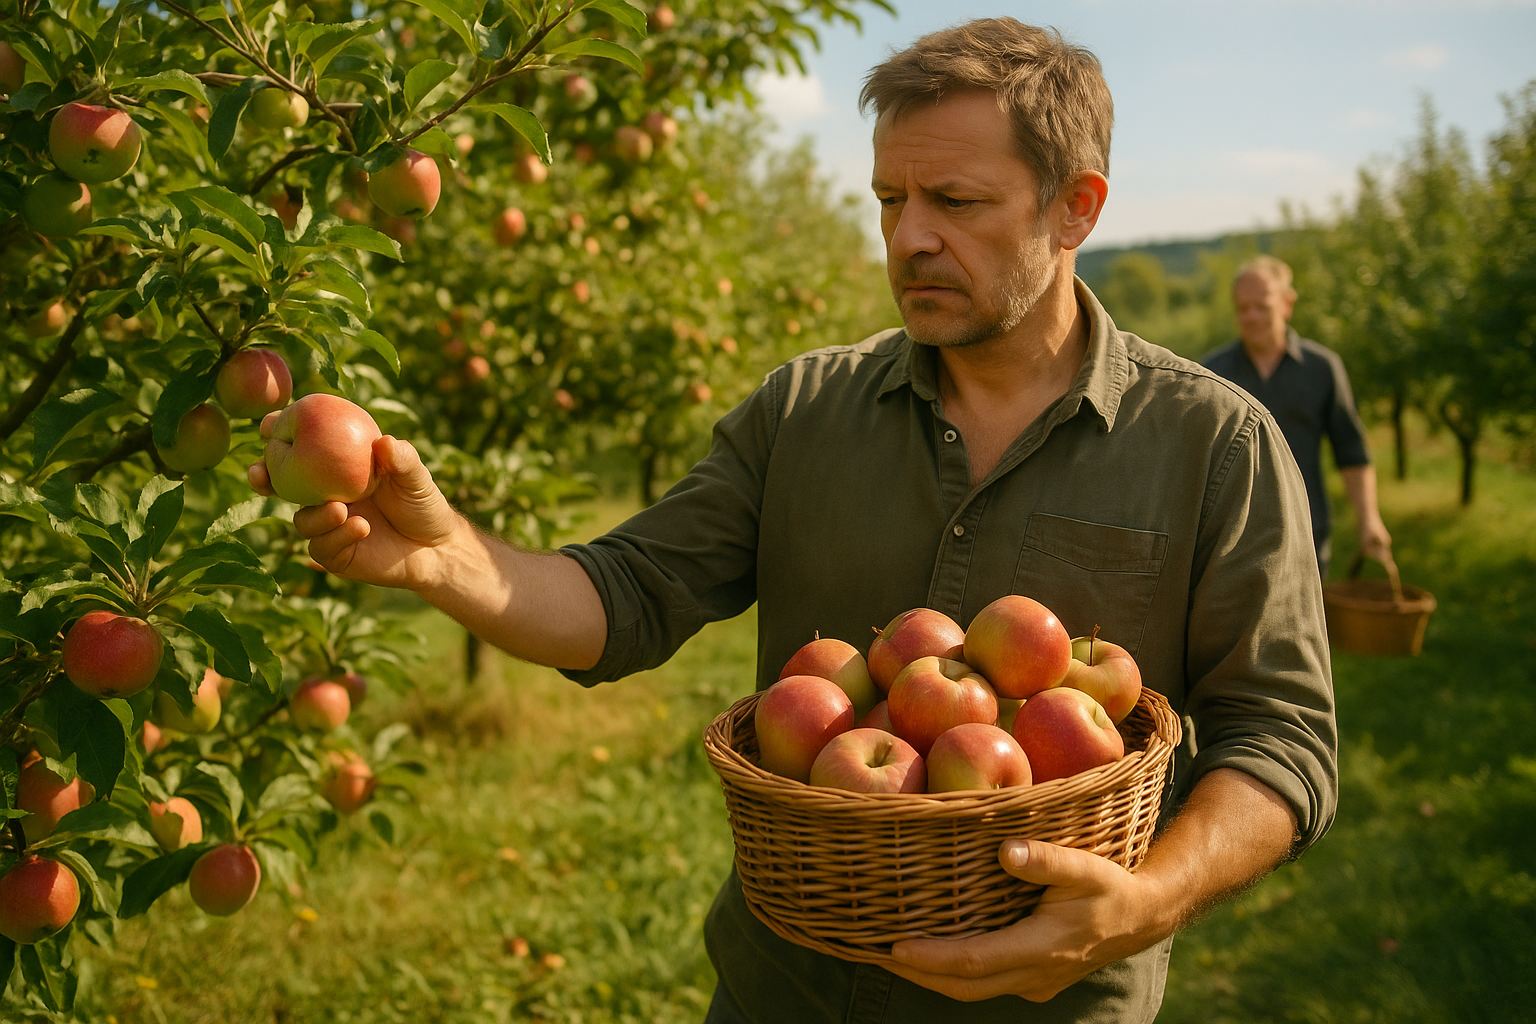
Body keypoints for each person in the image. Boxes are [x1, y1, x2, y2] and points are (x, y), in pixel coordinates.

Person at [250, 18, 1337, 1023]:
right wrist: (452, 563)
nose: (908, 239)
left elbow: (1281, 737)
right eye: (887, 201)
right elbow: (625, 597)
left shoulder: (1212, 444)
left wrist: (1145, 902)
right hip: (788, 992)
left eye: (954, 203)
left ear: (1075, 208)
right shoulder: (806, 409)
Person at [1201, 256, 1392, 580]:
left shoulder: (1321, 368)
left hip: (1306, 527)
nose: (1251, 316)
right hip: (1229, 537)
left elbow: (1350, 450)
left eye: (1262, 306)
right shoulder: (1213, 374)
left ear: (1287, 304)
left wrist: (1369, 519)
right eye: (1242, 308)